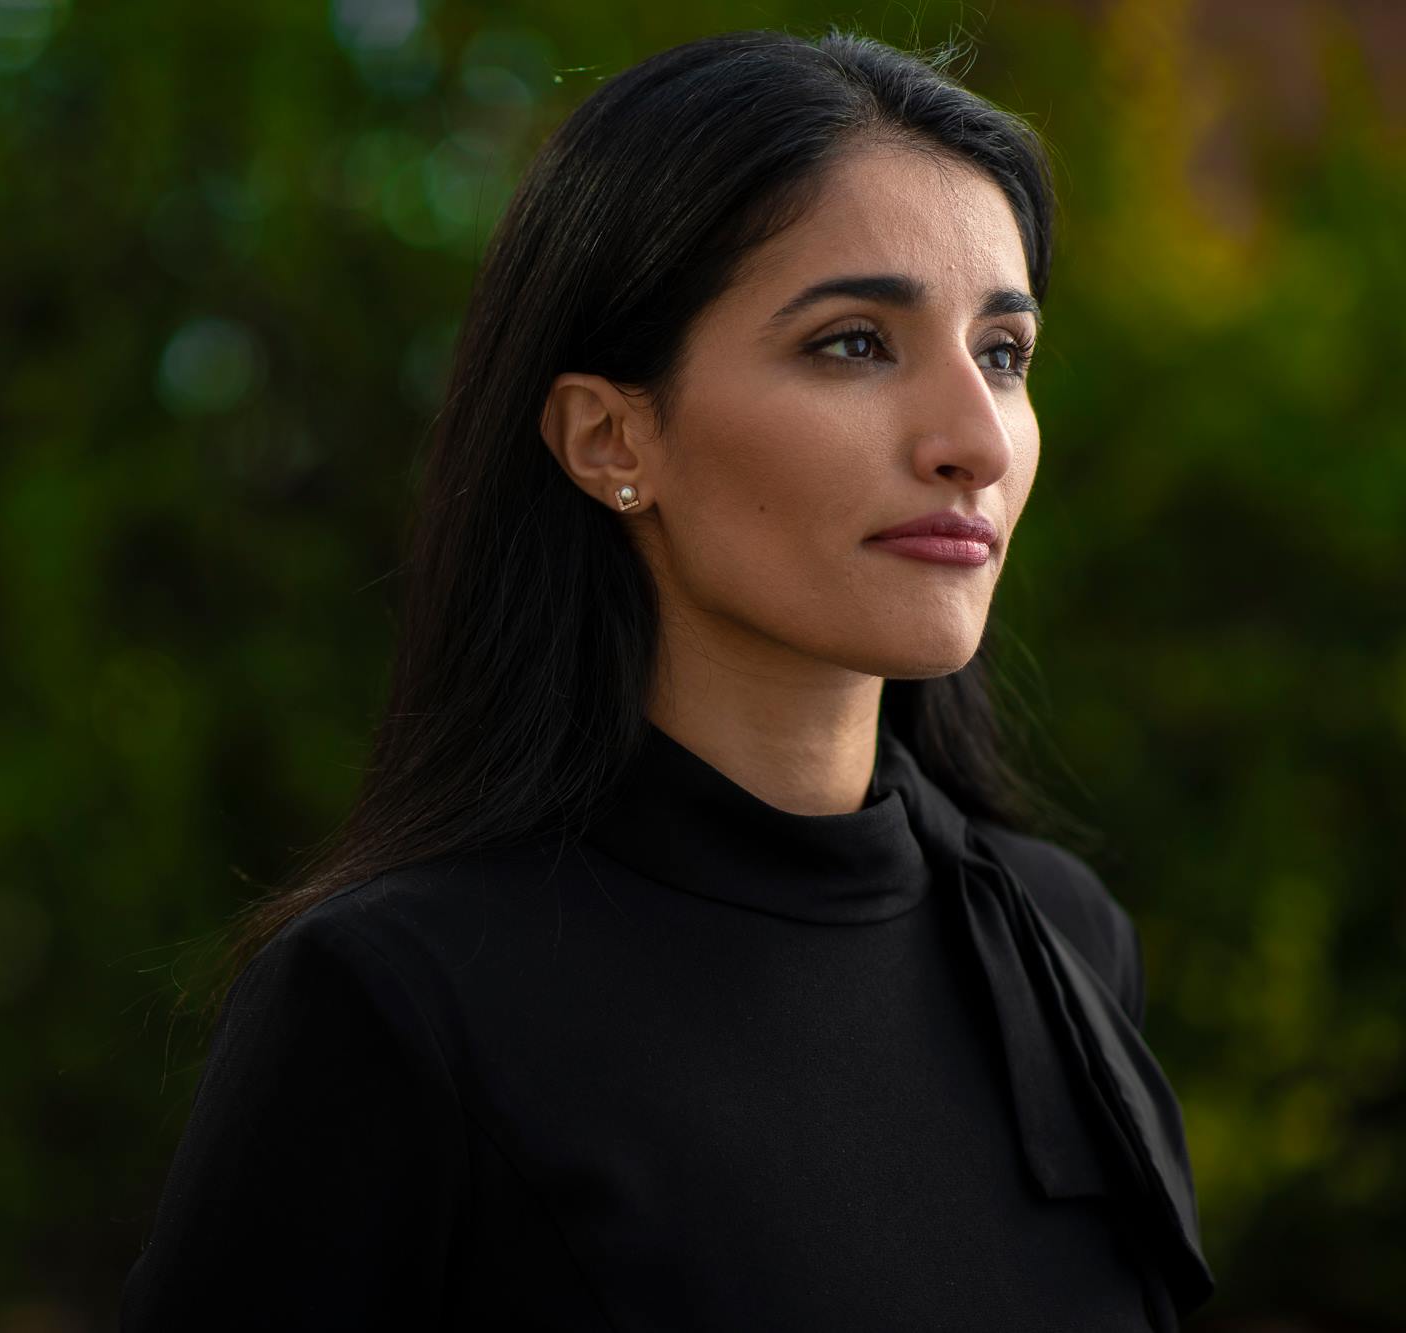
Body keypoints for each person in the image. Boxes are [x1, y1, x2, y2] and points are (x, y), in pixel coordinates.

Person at [119, 26, 1214, 1331]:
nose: (975, 441)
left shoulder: (1060, 939)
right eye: (855, 343)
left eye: (1004, 353)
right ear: (609, 434)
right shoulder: (398, 1002)